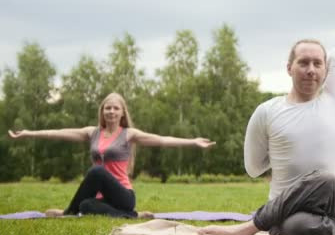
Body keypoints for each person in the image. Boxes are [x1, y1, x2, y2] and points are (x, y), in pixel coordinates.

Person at [198, 39, 335, 235]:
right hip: (284, 216)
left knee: (325, 180)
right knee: (296, 227)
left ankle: (249, 227)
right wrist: (282, 153)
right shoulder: (266, 112)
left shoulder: (334, 102)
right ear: (289, 68)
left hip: (334, 203)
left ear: (326, 70)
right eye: (303, 63)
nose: (311, 69)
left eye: (318, 63)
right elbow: (253, 169)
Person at [8, 92, 216, 218]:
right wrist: (28, 134)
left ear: (122, 113)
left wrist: (193, 142)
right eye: (108, 108)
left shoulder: (128, 135)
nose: (111, 111)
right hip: (104, 199)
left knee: (97, 171)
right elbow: (58, 133)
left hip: (123, 195)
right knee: (86, 205)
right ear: (102, 111)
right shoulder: (92, 133)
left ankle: (67, 213)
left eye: (115, 108)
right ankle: (132, 216)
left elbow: (162, 140)